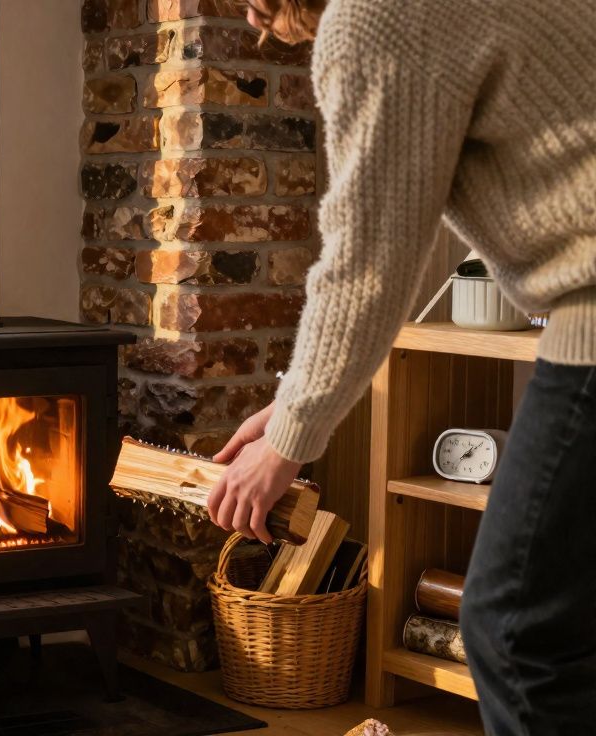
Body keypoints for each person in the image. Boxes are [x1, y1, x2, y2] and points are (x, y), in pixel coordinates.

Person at [204, 1, 596, 733]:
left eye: (252, 0)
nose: (256, 22)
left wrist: (287, 445)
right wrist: (289, 406)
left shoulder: (373, 19)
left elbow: (367, 266)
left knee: (514, 629)